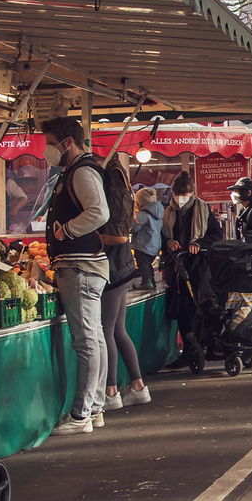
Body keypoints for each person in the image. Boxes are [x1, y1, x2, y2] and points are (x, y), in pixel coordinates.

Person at [41, 118, 111, 436]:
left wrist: (65, 230)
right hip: (84, 266)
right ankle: (94, 409)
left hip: (80, 266)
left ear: (67, 142)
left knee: (86, 342)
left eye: (50, 142)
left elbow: (98, 211)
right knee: (93, 338)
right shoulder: (74, 170)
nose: (48, 150)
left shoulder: (81, 170)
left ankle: (81, 413)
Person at [100, 154, 151, 415]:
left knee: (107, 331)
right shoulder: (125, 195)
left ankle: (110, 391)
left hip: (111, 270)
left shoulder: (107, 197)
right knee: (118, 331)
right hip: (124, 268)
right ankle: (138, 386)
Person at [162, 171, 220, 369]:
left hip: (199, 267)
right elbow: (162, 238)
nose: (180, 199)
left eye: (184, 194)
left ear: (191, 193)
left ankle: (203, 346)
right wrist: (169, 243)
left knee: (199, 307)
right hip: (178, 269)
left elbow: (216, 236)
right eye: (177, 195)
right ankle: (187, 351)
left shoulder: (203, 210)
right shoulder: (169, 213)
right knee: (181, 311)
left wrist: (199, 243)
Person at [131, 186, 163, 291]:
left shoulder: (142, 214)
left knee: (143, 265)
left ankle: (147, 281)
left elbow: (132, 228)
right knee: (148, 265)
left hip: (143, 245)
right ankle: (151, 281)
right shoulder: (158, 214)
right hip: (154, 246)